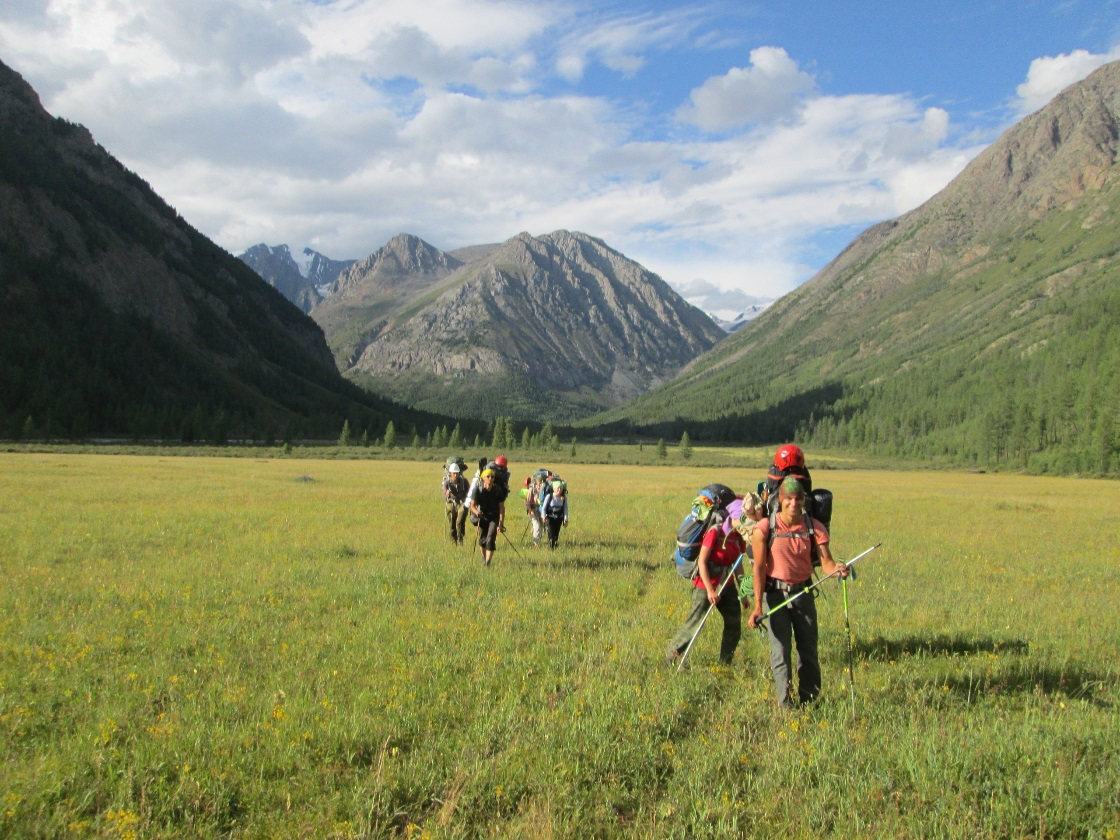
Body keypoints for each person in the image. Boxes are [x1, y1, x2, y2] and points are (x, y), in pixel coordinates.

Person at [748, 475, 848, 708]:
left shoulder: (815, 528)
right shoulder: (764, 529)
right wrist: (757, 607)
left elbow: (827, 564)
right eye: (789, 499)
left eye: (798, 499)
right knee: (780, 654)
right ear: (780, 500)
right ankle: (787, 707)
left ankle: (810, 703)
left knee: (809, 652)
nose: (794, 504)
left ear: (804, 501)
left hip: (803, 594)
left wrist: (838, 571)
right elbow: (759, 569)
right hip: (776, 597)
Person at [666, 499, 749, 667]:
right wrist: (710, 591)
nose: (743, 524)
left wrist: (745, 593)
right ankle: (672, 655)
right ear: (732, 517)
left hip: (727, 583)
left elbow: (738, 566)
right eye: (741, 519)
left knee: (734, 624)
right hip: (705, 584)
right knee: (694, 623)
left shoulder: (739, 536)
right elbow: (702, 562)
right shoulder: (715, 532)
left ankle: (725, 663)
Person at [469, 468, 505, 565]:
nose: (490, 478)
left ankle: (488, 563)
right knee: (482, 540)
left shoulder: (497, 490)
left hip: (494, 517)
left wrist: (501, 523)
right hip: (482, 516)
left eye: (492, 477)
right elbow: (472, 506)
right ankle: (484, 559)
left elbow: (501, 507)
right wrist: (477, 512)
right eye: (488, 476)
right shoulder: (478, 489)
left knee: (491, 538)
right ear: (483, 478)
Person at [442, 462, 469, 544]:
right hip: (451, 503)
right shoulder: (447, 482)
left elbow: (470, 492)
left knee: (459, 522)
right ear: (450, 474)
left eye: (457, 473)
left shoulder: (464, 482)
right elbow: (445, 495)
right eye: (454, 473)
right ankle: (453, 541)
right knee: (452, 523)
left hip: (462, 503)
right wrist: (447, 493)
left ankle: (460, 539)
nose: (455, 475)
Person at [539, 479, 568, 549]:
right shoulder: (549, 496)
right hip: (549, 518)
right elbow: (544, 508)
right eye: (558, 488)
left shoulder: (563, 498)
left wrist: (565, 519)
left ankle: (554, 546)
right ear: (554, 489)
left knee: (556, 535)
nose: (559, 490)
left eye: (561, 488)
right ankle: (550, 548)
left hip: (559, 518)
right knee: (550, 533)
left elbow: (565, 508)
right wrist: (543, 516)